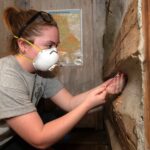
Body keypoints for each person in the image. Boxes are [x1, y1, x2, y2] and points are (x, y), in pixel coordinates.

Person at [0, 7, 126, 150]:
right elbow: (39, 139)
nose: (55, 52)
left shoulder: (41, 71)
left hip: (14, 135)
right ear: (23, 45)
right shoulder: (6, 77)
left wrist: (106, 87)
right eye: (49, 45)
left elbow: (70, 103)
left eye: (56, 45)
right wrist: (88, 104)